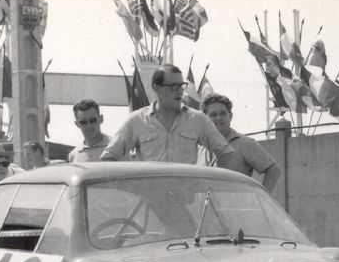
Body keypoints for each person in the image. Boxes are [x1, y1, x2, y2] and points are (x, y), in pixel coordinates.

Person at [100, 64, 235, 166]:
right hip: (149, 195)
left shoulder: (198, 119)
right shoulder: (136, 121)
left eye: (181, 86)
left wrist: (211, 184)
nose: (180, 92)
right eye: (174, 86)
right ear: (157, 88)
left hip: (187, 195)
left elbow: (226, 152)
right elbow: (108, 157)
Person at [202, 93, 281, 192]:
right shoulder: (201, 147)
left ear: (230, 116)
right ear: (204, 119)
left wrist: (261, 197)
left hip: (235, 201)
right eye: (213, 115)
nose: (218, 118)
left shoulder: (244, 143)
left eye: (223, 113)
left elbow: (273, 170)